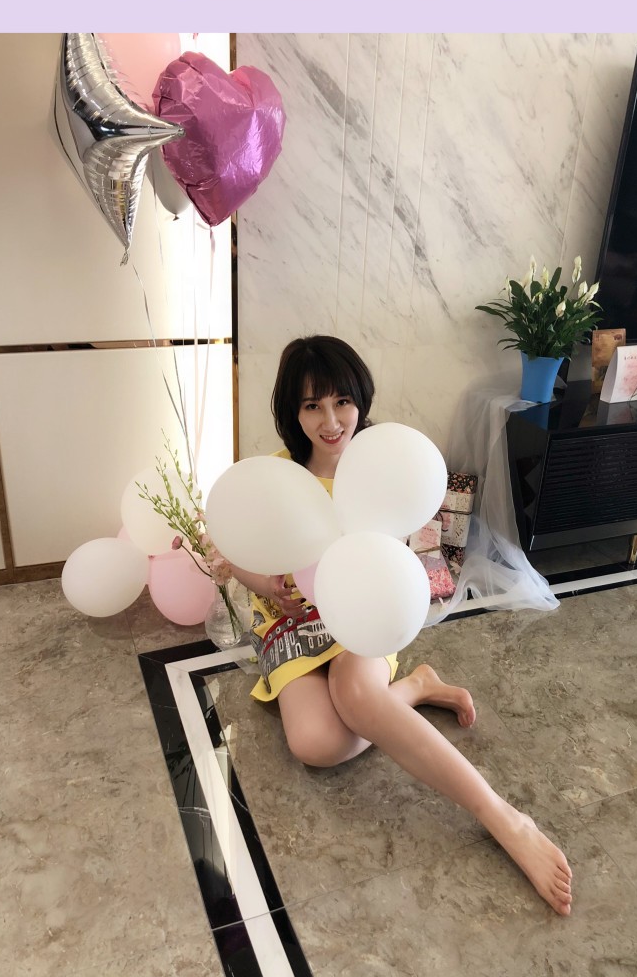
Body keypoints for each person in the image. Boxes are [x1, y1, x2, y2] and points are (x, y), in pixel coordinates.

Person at [219, 334, 572, 917]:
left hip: (362, 613)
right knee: (315, 745)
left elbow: (390, 564)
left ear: (360, 398)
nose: (331, 421)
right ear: (291, 411)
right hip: (292, 623)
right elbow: (246, 558)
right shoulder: (280, 473)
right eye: (312, 406)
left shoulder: (380, 465)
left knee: (355, 694)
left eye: (342, 401)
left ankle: (503, 817)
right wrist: (269, 586)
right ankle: (414, 687)